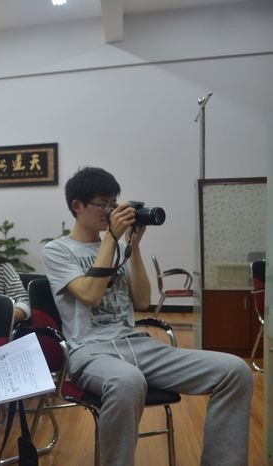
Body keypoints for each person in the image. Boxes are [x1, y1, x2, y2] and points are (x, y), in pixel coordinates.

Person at [41, 166, 253, 466]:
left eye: (113, 204)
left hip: (136, 344)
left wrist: (134, 246)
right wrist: (111, 240)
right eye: (102, 204)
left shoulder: (119, 247)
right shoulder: (58, 250)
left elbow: (142, 300)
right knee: (127, 381)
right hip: (90, 351)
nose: (110, 211)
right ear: (78, 205)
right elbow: (90, 295)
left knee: (235, 371)